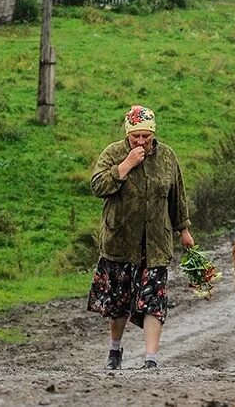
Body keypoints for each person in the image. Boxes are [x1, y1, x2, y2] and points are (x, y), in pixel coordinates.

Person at [88, 105, 194, 371]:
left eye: (146, 136)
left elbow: (176, 196)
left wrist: (184, 230)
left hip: (155, 244)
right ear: (128, 133)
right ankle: (115, 351)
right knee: (118, 303)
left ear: (153, 133)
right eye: (136, 136)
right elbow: (97, 185)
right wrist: (126, 165)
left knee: (153, 302)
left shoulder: (167, 157)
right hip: (120, 241)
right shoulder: (113, 153)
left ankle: (151, 359)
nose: (141, 141)